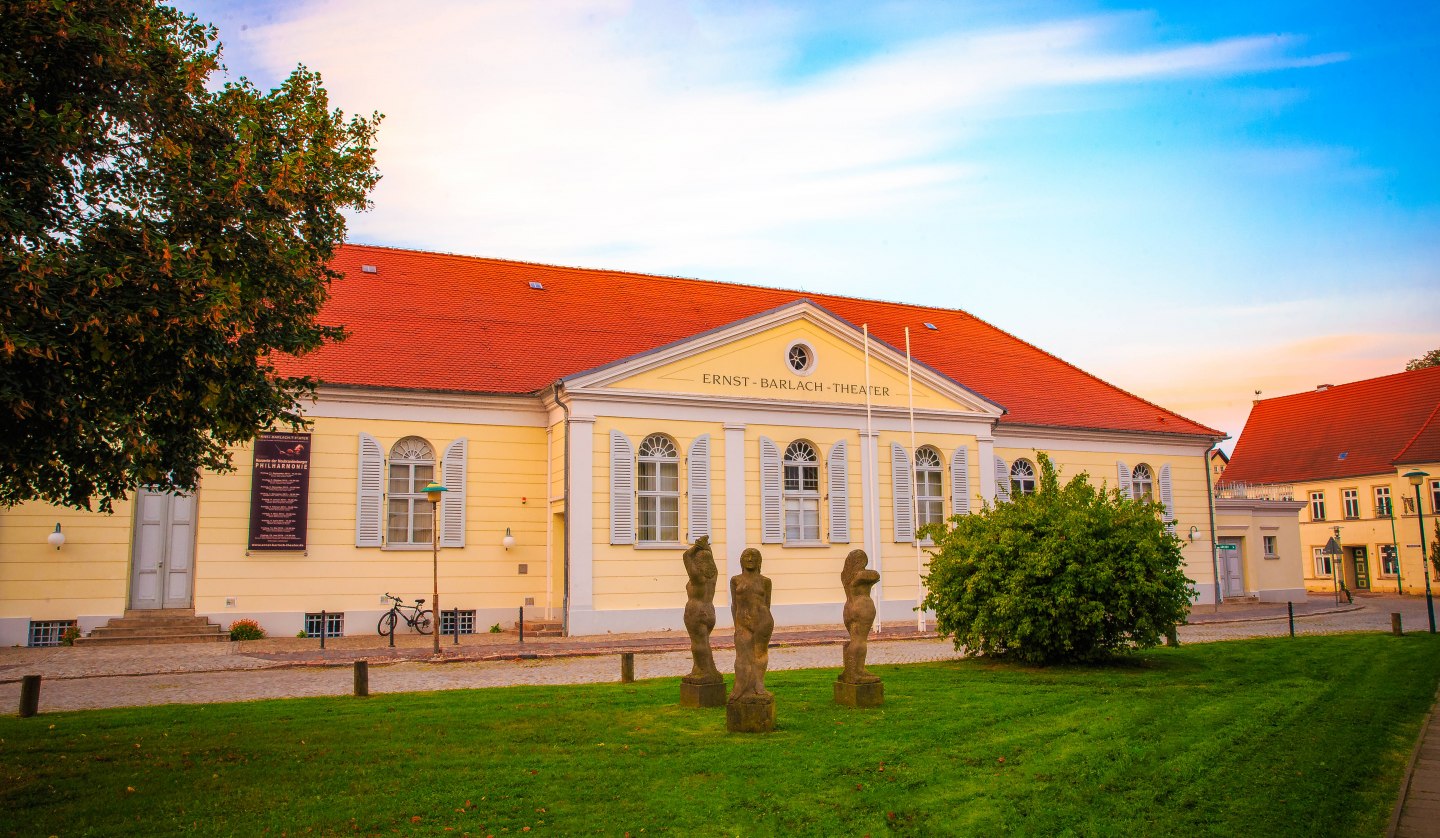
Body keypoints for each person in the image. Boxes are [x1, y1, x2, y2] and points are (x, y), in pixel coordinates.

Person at [730, 547, 774, 701]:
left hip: (763, 621)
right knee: (742, 655)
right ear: (741, 560)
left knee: (760, 653)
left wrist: (764, 621)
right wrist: (736, 625)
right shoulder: (735, 580)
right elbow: (734, 604)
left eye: (753, 557)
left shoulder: (765, 581)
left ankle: (759, 683)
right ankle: (741, 685)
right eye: (746, 556)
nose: (750, 559)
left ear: (759, 561)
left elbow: (767, 604)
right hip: (742, 621)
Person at [681, 536, 722, 684]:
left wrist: (696, 548)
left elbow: (686, 556)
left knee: (698, 643)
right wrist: (706, 547)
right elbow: (709, 555)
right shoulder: (713, 575)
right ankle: (707, 669)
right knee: (704, 642)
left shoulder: (697, 576)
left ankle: (703, 671)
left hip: (695, 610)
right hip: (710, 611)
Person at [839, 549, 881, 684]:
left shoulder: (845, 576)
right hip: (862, 606)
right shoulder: (861, 575)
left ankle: (850, 670)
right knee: (860, 640)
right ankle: (857, 671)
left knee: (854, 639)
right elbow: (876, 575)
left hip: (849, 607)